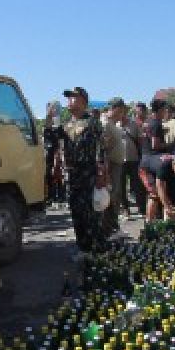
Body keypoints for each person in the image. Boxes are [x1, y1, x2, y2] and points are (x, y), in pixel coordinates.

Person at [59, 87, 108, 253]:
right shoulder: (66, 125)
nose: (70, 101)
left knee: (92, 213)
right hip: (73, 175)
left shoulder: (92, 122)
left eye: (73, 97)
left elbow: (101, 149)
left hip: (90, 173)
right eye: (69, 98)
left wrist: (102, 173)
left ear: (83, 101)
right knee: (76, 212)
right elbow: (58, 146)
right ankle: (83, 248)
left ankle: (99, 251)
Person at [138, 153, 175, 221]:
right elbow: (160, 188)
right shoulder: (163, 167)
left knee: (172, 194)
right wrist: (168, 207)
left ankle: (167, 220)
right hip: (146, 170)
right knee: (155, 194)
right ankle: (149, 221)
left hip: (158, 168)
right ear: (174, 164)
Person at [100, 98, 128, 235]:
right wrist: (107, 171)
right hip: (110, 166)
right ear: (115, 108)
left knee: (115, 196)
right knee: (110, 197)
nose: (123, 113)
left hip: (116, 165)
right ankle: (108, 228)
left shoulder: (112, 123)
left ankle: (112, 226)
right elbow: (103, 149)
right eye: (122, 110)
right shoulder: (105, 123)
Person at [121, 101, 146, 217]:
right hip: (119, 161)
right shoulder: (114, 125)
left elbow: (140, 141)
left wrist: (142, 157)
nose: (122, 113)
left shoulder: (134, 124)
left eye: (124, 111)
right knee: (121, 187)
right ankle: (126, 209)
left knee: (137, 186)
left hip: (134, 159)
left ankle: (141, 208)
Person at [42, 102, 66, 205]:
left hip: (56, 154)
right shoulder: (47, 128)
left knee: (59, 175)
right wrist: (50, 113)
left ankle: (60, 196)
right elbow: (47, 125)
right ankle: (50, 197)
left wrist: (60, 153)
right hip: (49, 155)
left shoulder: (58, 127)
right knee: (49, 175)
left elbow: (62, 138)